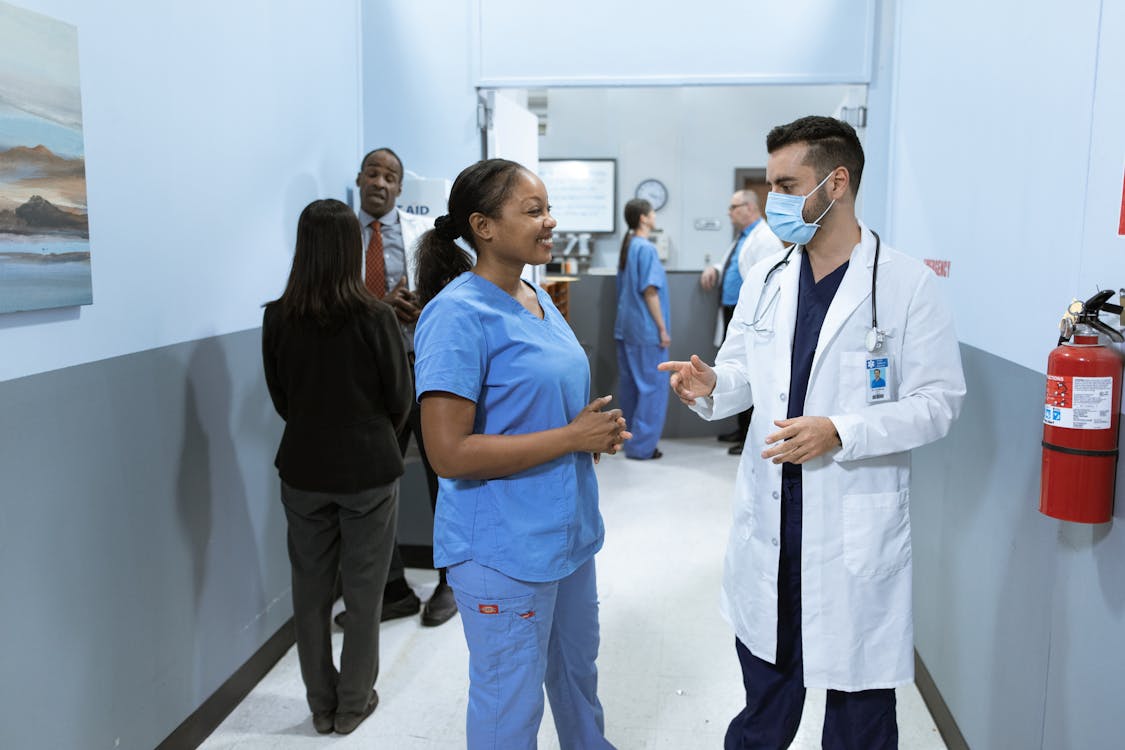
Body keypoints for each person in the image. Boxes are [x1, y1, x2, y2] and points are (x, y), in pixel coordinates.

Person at [659, 116, 966, 749]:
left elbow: (940, 403)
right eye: (770, 184)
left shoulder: (907, 285)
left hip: (852, 523)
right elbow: (744, 370)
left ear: (838, 182)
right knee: (765, 703)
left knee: (859, 713)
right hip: (773, 521)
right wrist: (712, 384)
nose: (775, 199)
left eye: (786, 183)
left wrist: (841, 429)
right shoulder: (770, 277)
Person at [413, 158, 627, 749]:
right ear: (483, 226)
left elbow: (543, 402)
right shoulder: (457, 316)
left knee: (578, 680)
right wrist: (569, 438)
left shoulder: (535, 296)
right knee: (510, 704)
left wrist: (594, 432)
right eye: (533, 211)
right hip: (502, 548)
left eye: (547, 208)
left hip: (567, 535)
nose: (550, 222)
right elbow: (448, 453)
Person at [262, 198, 412, 735]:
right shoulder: (375, 316)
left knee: (309, 593)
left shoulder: (279, 316)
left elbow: (282, 399)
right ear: (352, 248)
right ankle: (353, 704)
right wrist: (374, 438)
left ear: (303, 248)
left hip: (303, 468)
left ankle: (320, 705)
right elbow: (400, 397)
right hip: (369, 468)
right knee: (365, 590)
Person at [338, 146, 457, 628]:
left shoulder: (419, 234)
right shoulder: (339, 237)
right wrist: (378, 307)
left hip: (419, 369)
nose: (381, 183)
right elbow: (330, 302)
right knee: (374, 486)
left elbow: (449, 297)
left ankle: (451, 582)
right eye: (373, 173)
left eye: (391, 176)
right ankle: (391, 590)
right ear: (360, 179)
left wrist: (420, 305)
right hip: (366, 380)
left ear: (401, 188)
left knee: (443, 477)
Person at [700, 190, 783, 455]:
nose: (729, 212)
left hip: (752, 318)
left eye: (733, 207)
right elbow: (732, 262)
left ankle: (748, 433)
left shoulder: (766, 239)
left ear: (749, 208)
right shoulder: (744, 237)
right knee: (733, 365)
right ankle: (739, 427)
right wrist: (714, 267)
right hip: (733, 312)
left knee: (749, 371)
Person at [613, 198, 670, 460]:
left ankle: (631, 441)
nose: (654, 217)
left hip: (626, 329)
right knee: (652, 389)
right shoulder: (645, 249)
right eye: (652, 213)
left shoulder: (628, 247)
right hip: (645, 330)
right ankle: (642, 448)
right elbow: (650, 292)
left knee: (632, 388)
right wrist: (662, 329)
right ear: (644, 218)